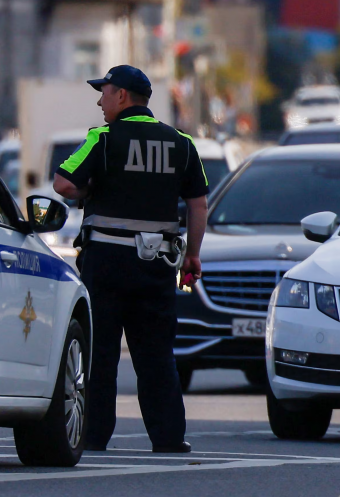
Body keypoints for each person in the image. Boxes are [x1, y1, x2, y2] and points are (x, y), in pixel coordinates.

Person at [53, 65, 209, 454]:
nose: (100, 101)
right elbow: (198, 203)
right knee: (157, 355)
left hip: (105, 262)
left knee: (101, 354)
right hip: (157, 265)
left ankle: (94, 436)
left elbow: (64, 183)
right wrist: (192, 254)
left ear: (122, 96)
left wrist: (92, 188)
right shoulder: (181, 143)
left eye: (104, 92)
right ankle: (169, 437)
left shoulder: (103, 138)